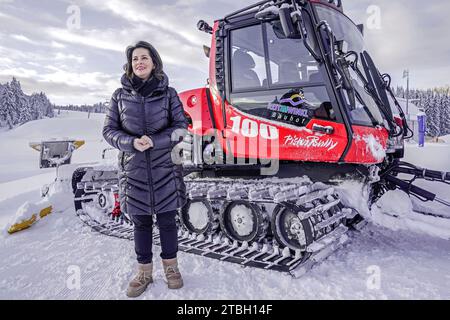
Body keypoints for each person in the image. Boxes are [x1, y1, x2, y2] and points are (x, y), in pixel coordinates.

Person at [102, 41, 188, 298]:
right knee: (140, 223)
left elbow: (181, 127)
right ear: (130, 64)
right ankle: (144, 273)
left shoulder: (169, 93)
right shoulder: (119, 95)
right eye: (135, 59)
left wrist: (156, 141)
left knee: (167, 220)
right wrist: (130, 143)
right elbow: (108, 131)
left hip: (165, 167)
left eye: (144, 58)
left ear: (154, 62)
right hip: (134, 170)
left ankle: (171, 269)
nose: (139, 62)